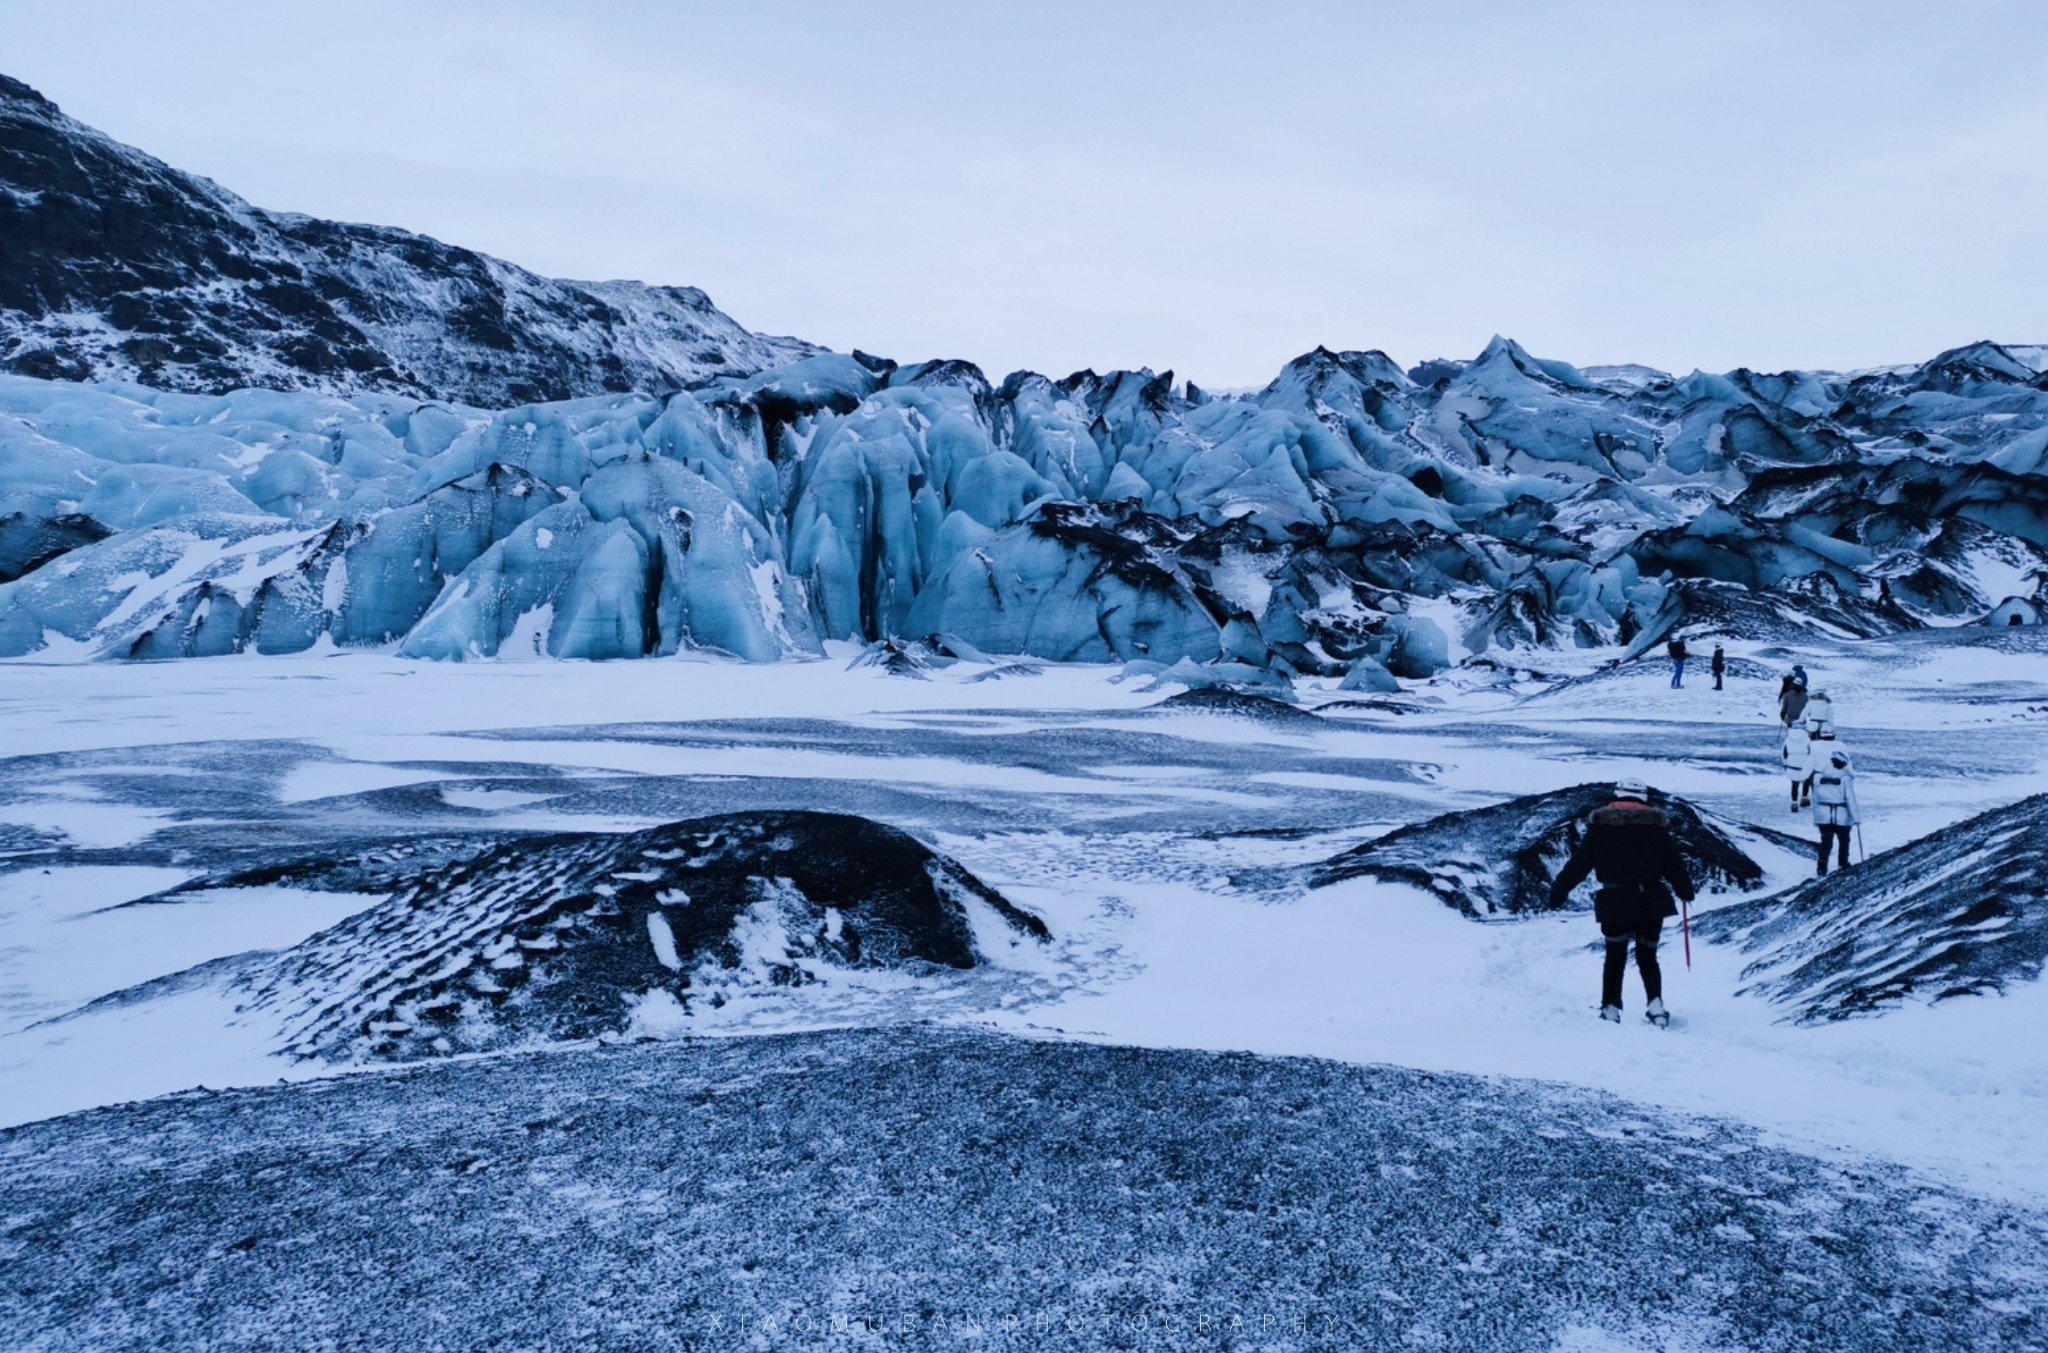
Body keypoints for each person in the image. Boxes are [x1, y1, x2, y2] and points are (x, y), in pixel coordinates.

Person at [1550, 778, 1698, 1027]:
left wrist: (1559, 891)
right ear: (1643, 799)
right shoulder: (1657, 830)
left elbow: (1579, 865)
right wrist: (1685, 891)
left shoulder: (1599, 829)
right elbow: (1674, 865)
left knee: (1614, 956)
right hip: (1652, 901)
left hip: (1615, 901)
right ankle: (1656, 1006)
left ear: (1616, 797)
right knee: (1647, 956)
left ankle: (1610, 1008)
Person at [1810, 748, 1861, 876]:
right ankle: (1842, 863)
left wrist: (1817, 818)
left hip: (1824, 816)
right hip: (1842, 816)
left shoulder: (1820, 777)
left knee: (1825, 841)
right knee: (1844, 839)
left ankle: (1821, 867)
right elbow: (1850, 798)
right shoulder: (1845, 777)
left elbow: (1815, 798)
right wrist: (1856, 818)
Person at [1782, 718, 1814, 811]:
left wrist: (1786, 764)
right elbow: (1811, 753)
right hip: (1805, 765)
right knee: (1806, 782)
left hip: (1792, 766)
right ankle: (1804, 799)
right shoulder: (1807, 739)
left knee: (1794, 785)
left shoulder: (1788, 739)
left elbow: (1784, 753)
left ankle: (1794, 804)